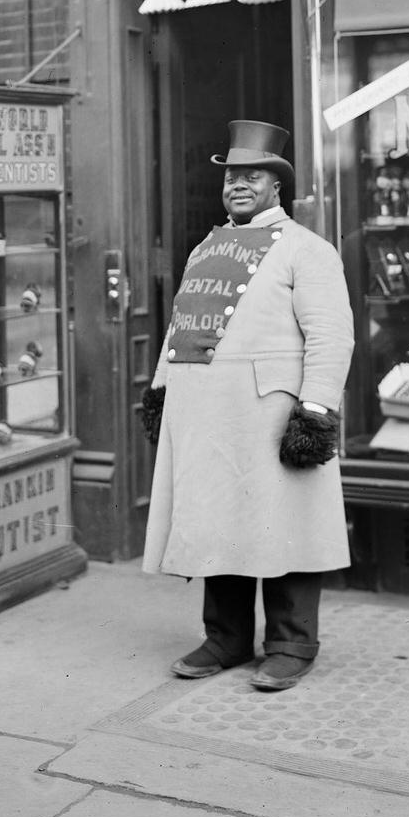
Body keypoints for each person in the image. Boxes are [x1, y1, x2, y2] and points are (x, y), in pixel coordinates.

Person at [138, 119, 354, 691]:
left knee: (284, 528)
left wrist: (315, 413)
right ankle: (226, 639)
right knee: (219, 524)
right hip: (207, 417)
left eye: (252, 175)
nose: (238, 184)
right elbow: (180, 326)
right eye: (232, 175)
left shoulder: (308, 250)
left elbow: (331, 336)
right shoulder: (206, 247)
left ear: (276, 185)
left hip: (270, 417)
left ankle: (291, 643)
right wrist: (161, 391)